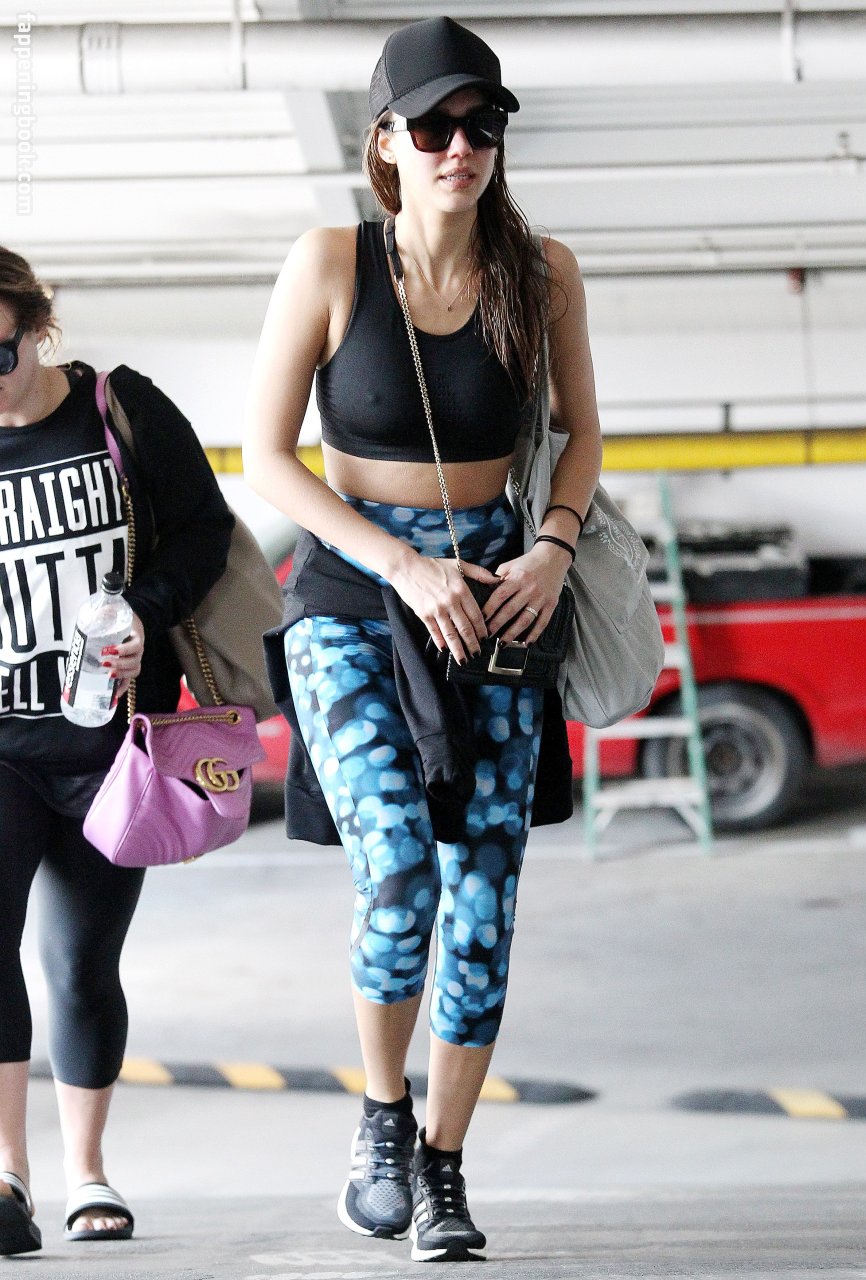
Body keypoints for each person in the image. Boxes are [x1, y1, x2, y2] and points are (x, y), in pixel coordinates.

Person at [244, 15, 601, 1264]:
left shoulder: (541, 272)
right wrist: (397, 562)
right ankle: (382, 1116)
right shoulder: (330, 263)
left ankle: (443, 1167)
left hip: (498, 594)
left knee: (484, 892)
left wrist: (550, 547)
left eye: (481, 122)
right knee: (397, 863)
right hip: (354, 592)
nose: (461, 145)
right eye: (433, 124)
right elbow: (264, 458)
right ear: (385, 142)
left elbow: (582, 437)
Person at [0, 247, 233, 1256]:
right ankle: (6, 1174)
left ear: (36, 328)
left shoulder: (118, 409)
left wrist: (145, 606)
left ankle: (87, 1170)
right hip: (1, 740)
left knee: (82, 962)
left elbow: (203, 531)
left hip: (112, 746)